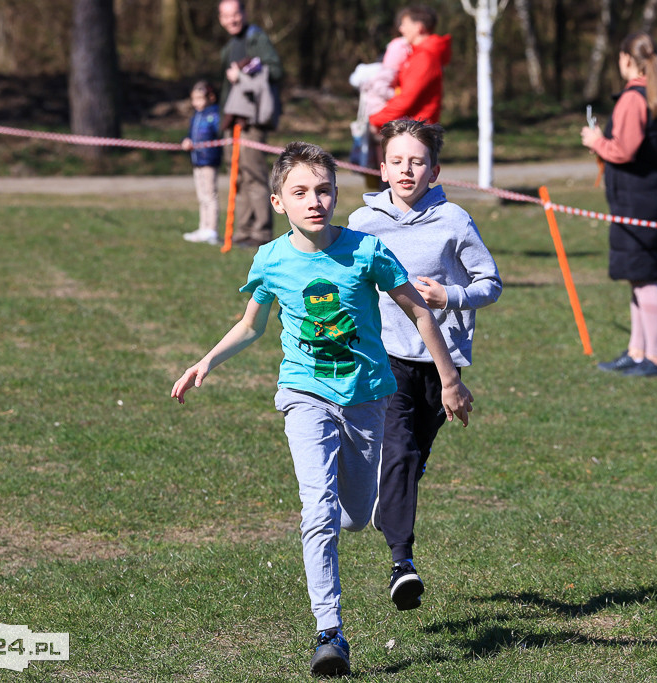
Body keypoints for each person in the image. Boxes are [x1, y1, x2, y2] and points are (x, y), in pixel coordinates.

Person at [170, 141, 473, 677]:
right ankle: (329, 634)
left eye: (325, 189)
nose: (315, 200)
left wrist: (449, 379)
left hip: (366, 398)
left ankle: (362, 515)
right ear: (279, 201)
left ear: (337, 196)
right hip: (303, 394)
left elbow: (421, 313)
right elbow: (251, 325)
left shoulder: (366, 251)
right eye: (301, 191)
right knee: (318, 512)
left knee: (355, 516)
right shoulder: (270, 258)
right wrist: (207, 361)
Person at [348, 118, 501, 611]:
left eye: (417, 162)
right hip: (384, 357)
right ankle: (402, 561)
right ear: (382, 168)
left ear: (434, 171)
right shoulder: (362, 222)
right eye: (397, 161)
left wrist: (449, 295)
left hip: (441, 363)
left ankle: (386, 503)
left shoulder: (454, 220)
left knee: (412, 458)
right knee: (401, 452)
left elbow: (490, 283)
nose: (407, 170)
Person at [581, 32, 657, 378]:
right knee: (637, 278)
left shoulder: (633, 98)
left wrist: (596, 141)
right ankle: (637, 352)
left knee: (645, 278)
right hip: (645, 198)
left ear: (625, 59)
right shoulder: (651, 93)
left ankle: (654, 359)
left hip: (641, 202)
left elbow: (624, 150)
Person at [218, 0, 284, 248]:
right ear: (220, 19)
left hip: (252, 120)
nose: (231, 20)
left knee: (254, 175)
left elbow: (276, 71)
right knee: (239, 176)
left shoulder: (257, 38)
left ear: (244, 14)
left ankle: (261, 231)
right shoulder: (229, 46)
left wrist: (243, 76)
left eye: (235, 14)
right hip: (231, 120)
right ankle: (243, 230)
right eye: (226, 16)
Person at [368, 6, 450, 130]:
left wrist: (376, 120)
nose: (401, 29)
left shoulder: (425, 57)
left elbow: (407, 99)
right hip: (415, 127)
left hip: (417, 131)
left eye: (405, 24)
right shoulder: (421, 53)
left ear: (419, 27)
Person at [181, 81, 224, 245]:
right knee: (202, 196)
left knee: (210, 195)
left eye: (200, 98)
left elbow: (218, 135)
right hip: (196, 160)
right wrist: (186, 141)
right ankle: (203, 227)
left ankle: (212, 230)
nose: (196, 102)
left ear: (210, 97)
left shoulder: (214, 115)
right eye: (194, 99)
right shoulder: (196, 116)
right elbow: (190, 134)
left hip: (209, 160)